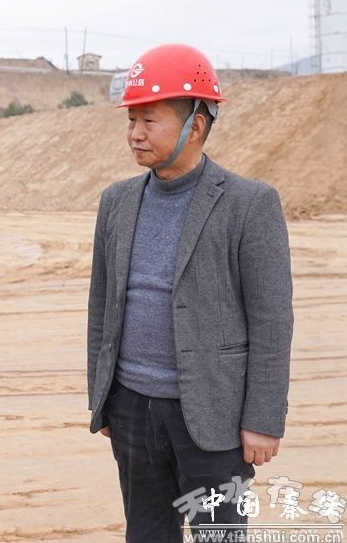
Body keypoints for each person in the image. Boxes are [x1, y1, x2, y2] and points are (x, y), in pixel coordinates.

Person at [87, 44, 294, 542]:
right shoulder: (117, 202)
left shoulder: (249, 204)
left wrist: (263, 419)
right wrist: (104, 399)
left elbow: (271, 320)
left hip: (212, 416)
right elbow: (102, 306)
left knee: (218, 534)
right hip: (132, 409)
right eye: (131, 120)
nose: (135, 134)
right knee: (146, 532)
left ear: (195, 125)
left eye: (149, 121)